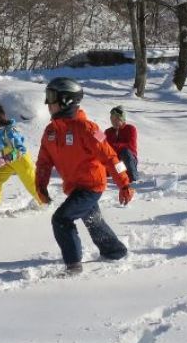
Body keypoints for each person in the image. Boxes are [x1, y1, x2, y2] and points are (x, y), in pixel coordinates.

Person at [35, 77, 135, 274]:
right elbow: (44, 163)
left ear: (66, 100)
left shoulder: (88, 129)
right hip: (74, 186)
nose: (48, 103)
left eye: (52, 97)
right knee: (93, 220)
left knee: (61, 219)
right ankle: (114, 251)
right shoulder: (50, 132)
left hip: (91, 186)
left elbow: (111, 157)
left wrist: (124, 184)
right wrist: (41, 186)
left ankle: (73, 265)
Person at [0, 104, 43, 214]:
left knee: (32, 186)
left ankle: (46, 204)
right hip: (9, 162)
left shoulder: (10, 131)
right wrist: (3, 159)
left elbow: (21, 150)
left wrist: (6, 159)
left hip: (21, 161)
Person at [105, 105, 139, 182]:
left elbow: (131, 145)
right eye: (112, 119)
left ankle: (133, 180)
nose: (114, 122)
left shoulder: (130, 129)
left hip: (128, 162)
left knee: (125, 151)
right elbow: (103, 145)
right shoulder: (108, 132)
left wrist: (114, 145)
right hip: (115, 163)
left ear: (122, 119)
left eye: (117, 119)